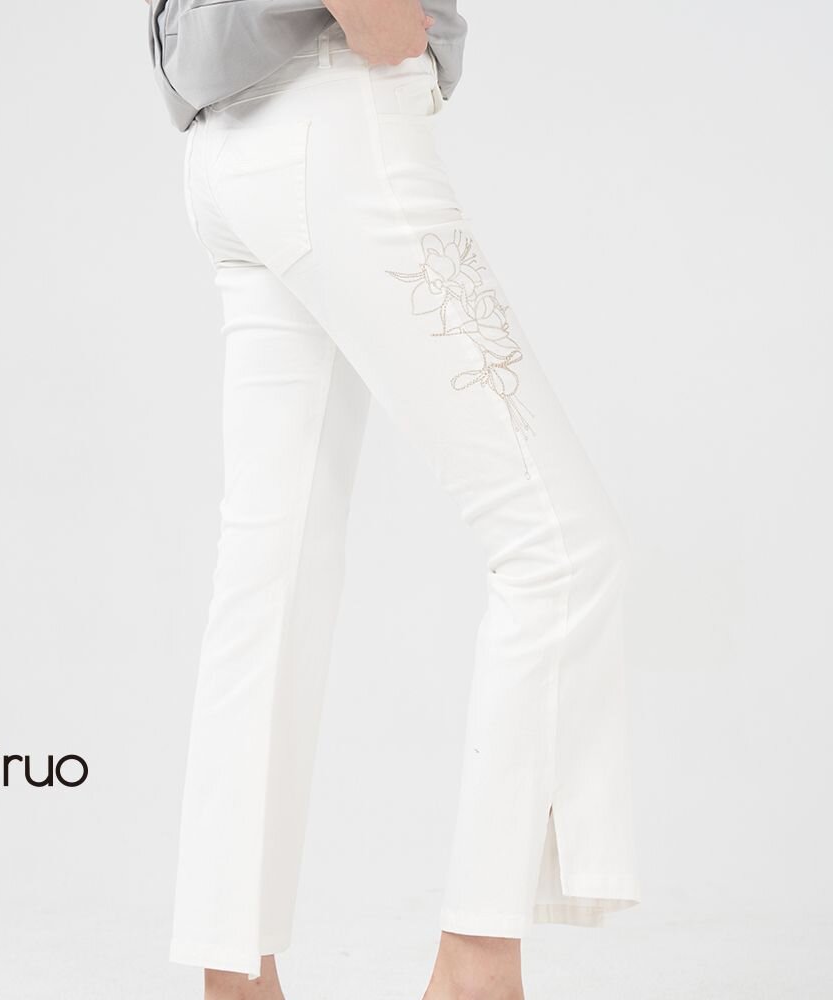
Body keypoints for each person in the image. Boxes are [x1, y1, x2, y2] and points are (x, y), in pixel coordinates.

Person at [145, 3, 642, 999]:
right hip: (338, 133)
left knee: (270, 578)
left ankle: (235, 982)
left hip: (227, 145)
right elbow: (380, 25)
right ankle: (474, 977)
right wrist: (394, 23)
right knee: (561, 546)